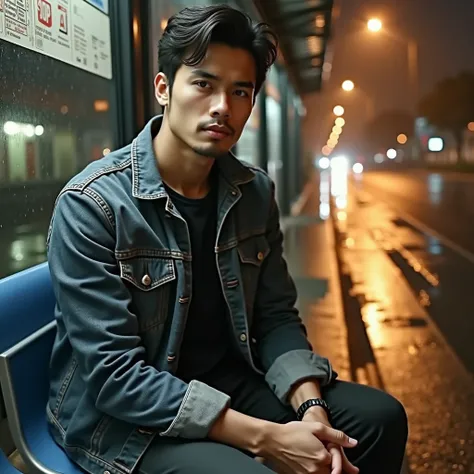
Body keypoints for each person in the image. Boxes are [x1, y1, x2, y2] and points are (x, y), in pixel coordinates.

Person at [46, 4, 408, 474]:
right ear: (163, 88)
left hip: (228, 383)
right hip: (124, 420)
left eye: (240, 91)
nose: (222, 106)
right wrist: (268, 439)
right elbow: (115, 379)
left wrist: (311, 412)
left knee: (379, 420)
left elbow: (276, 317)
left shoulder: (253, 192)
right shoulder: (92, 204)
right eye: (203, 84)